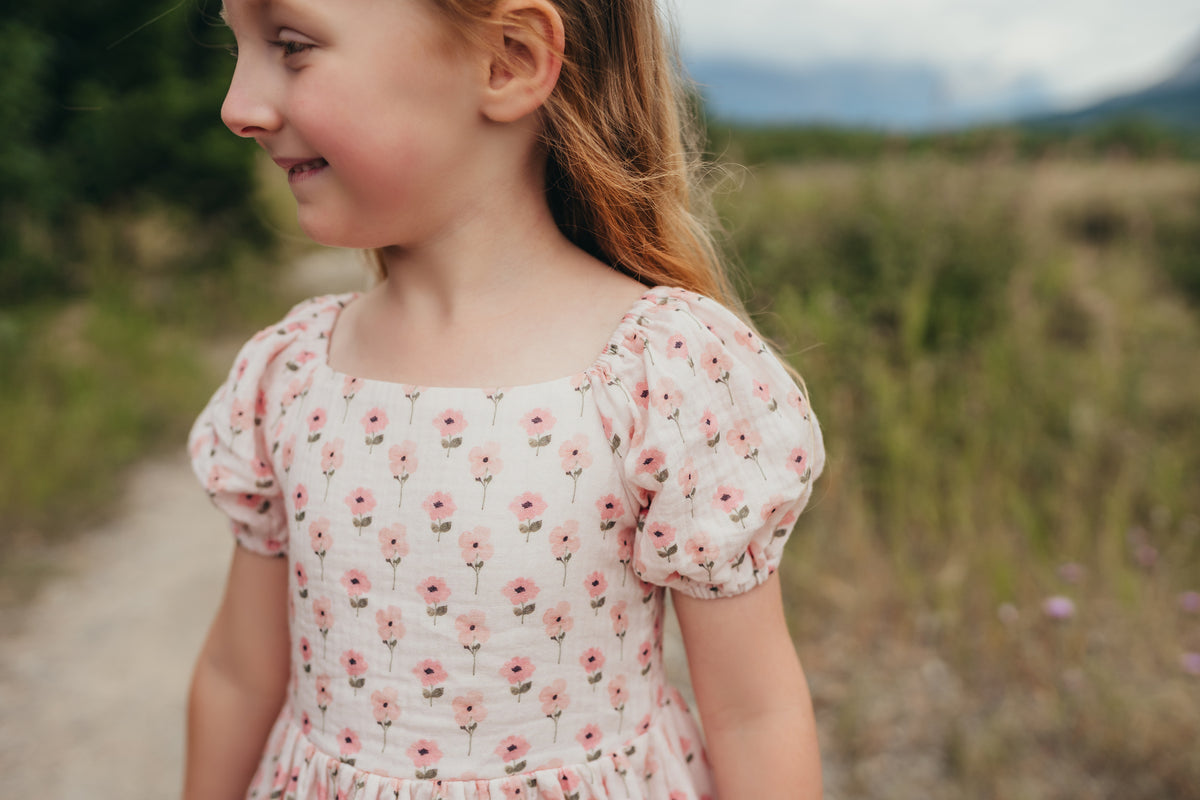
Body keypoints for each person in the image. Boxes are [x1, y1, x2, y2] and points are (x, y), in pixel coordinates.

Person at [182, 0, 825, 797]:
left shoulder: (662, 375)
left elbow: (755, 715)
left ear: (508, 60)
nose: (238, 106)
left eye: (291, 45)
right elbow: (240, 676)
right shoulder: (291, 374)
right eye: (238, 48)